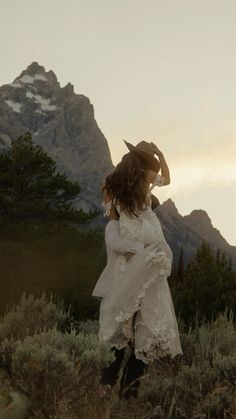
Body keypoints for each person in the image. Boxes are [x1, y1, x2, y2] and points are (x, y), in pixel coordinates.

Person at [92, 140, 183, 399]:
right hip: (136, 263)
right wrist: (137, 249)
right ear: (141, 166)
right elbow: (112, 230)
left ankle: (118, 389)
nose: (153, 172)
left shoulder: (136, 189)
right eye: (150, 165)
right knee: (133, 325)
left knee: (135, 326)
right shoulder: (124, 187)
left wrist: (161, 154)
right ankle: (118, 389)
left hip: (142, 265)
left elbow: (165, 179)